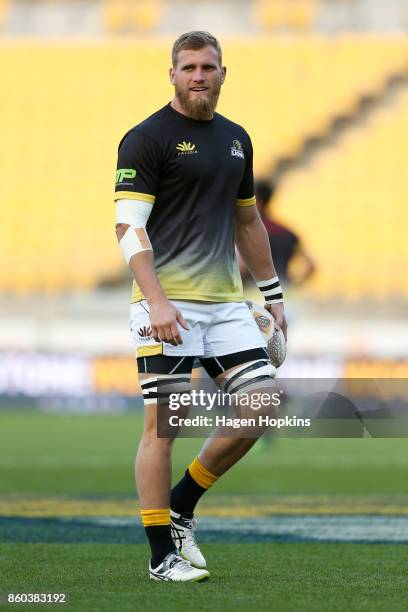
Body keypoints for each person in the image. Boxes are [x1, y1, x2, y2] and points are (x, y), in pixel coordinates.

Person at [114, 31, 287, 582]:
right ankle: (161, 554)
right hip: (165, 304)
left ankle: (183, 506)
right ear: (171, 74)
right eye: (188, 66)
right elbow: (127, 227)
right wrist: (158, 301)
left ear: (222, 73)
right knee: (167, 424)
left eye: (208, 66)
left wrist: (273, 295)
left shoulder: (236, 140)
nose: (198, 75)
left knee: (262, 404)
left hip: (225, 303)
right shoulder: (145, 138)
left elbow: (246, 221)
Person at [240, 179, 315, 286]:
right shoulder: (288, 233)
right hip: (284, 293)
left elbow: (241, 268)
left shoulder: (246, 231)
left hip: (254, 294)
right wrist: (294, 284)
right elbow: (311, 266)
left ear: (258, 200)